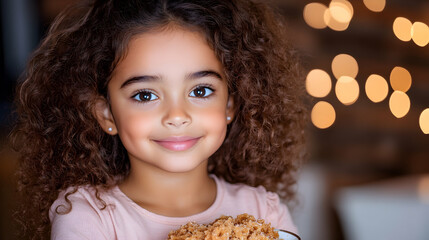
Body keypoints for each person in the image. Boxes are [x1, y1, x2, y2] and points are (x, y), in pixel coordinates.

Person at [11, 0, 307, 239]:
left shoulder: (263, 212)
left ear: (230, 104)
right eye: (145, 96)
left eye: (201, 90)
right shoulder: (88, 216)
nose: (177, 116)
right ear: (106, 114)